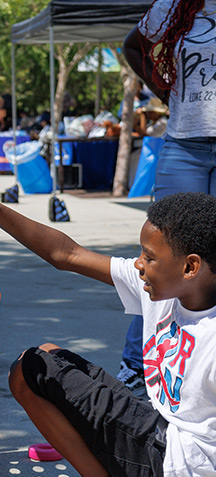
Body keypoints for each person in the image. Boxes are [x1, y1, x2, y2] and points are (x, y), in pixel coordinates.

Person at [0, 152, 216, 477]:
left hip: (171, 467)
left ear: (191, 267)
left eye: (149, 257)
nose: (139, 265)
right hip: (162, 450)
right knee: (52, 355)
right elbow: (64, 254)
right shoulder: (163, 289)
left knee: (31, 369)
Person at [118, 0, 215, 394]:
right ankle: (137, 372)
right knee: (163, 261)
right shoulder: (177, 5)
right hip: (184, 146)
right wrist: (167, 90)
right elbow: (134, 45)